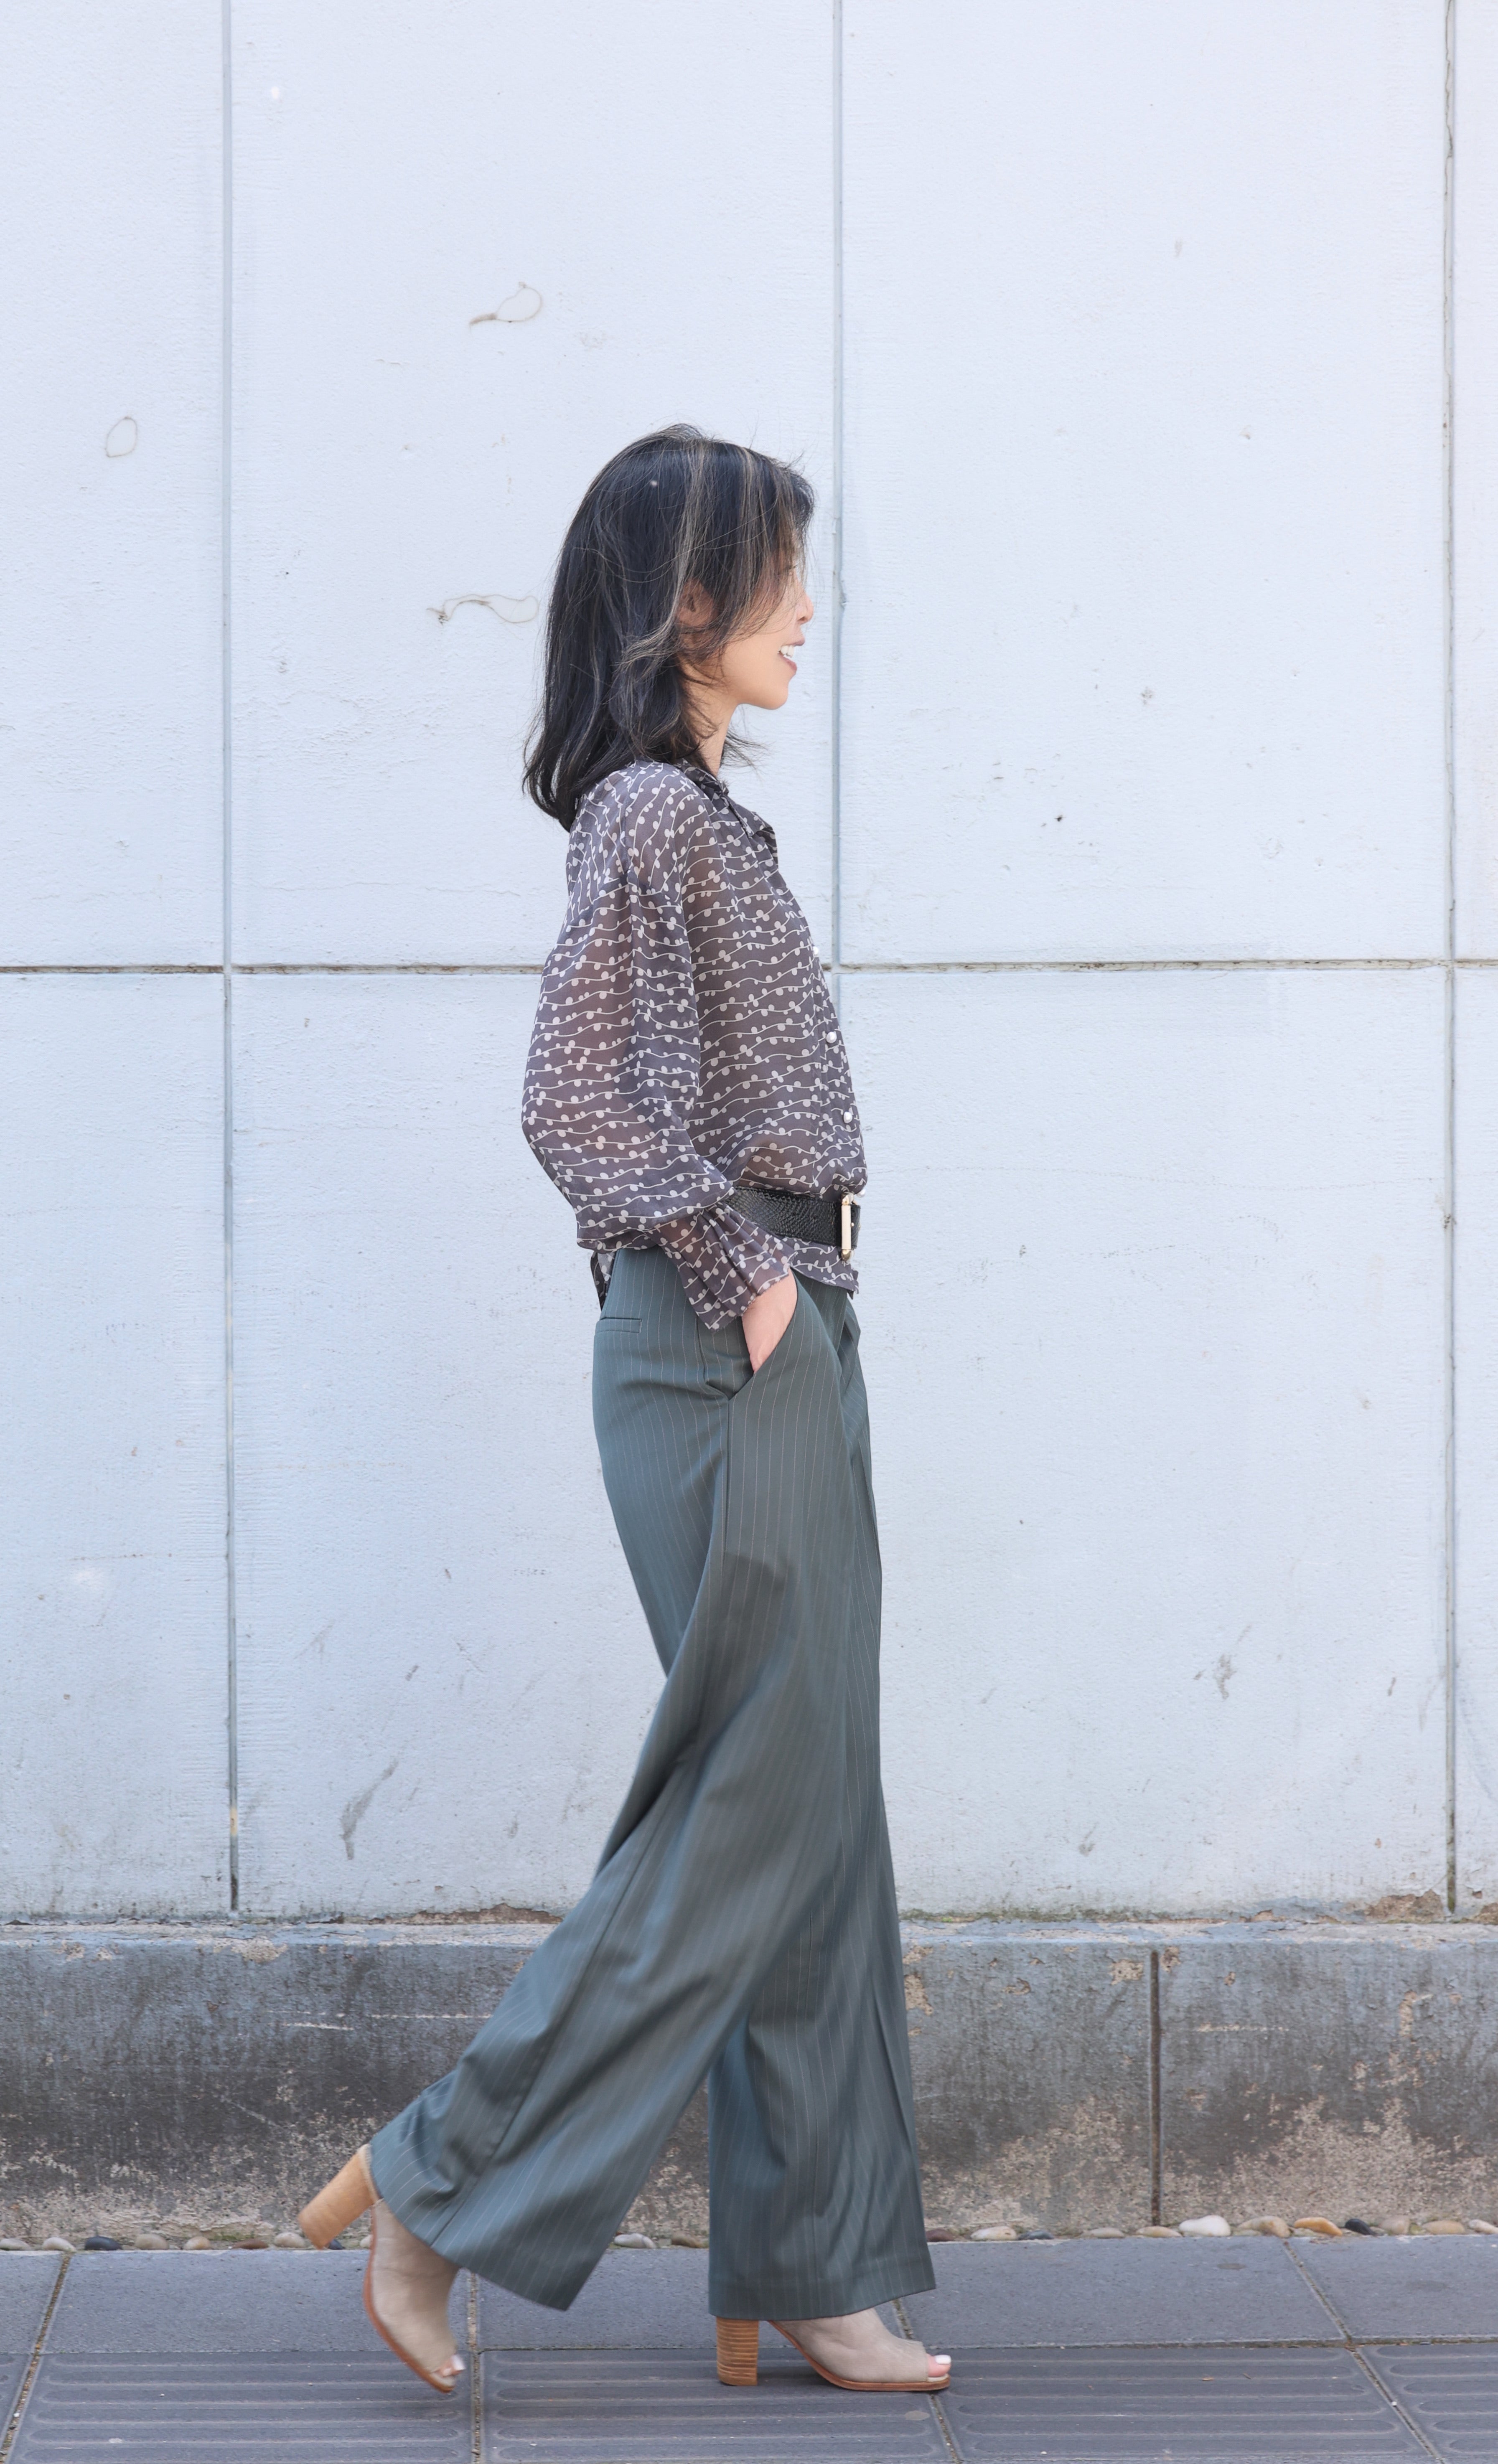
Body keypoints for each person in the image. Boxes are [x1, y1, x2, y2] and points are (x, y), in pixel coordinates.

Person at [298, 426, 950, 2401]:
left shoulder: (701, 822)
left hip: (780, 1324)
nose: (808, 609)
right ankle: (442, 2181)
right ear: (687, 605)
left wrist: (787, 1294)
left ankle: (813, 2263)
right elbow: (574, 1095)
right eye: (778, 576)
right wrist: (744, 1270)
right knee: (754, 1806)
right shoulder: (652, 818)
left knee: (813, 1806)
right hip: (724, 1329)